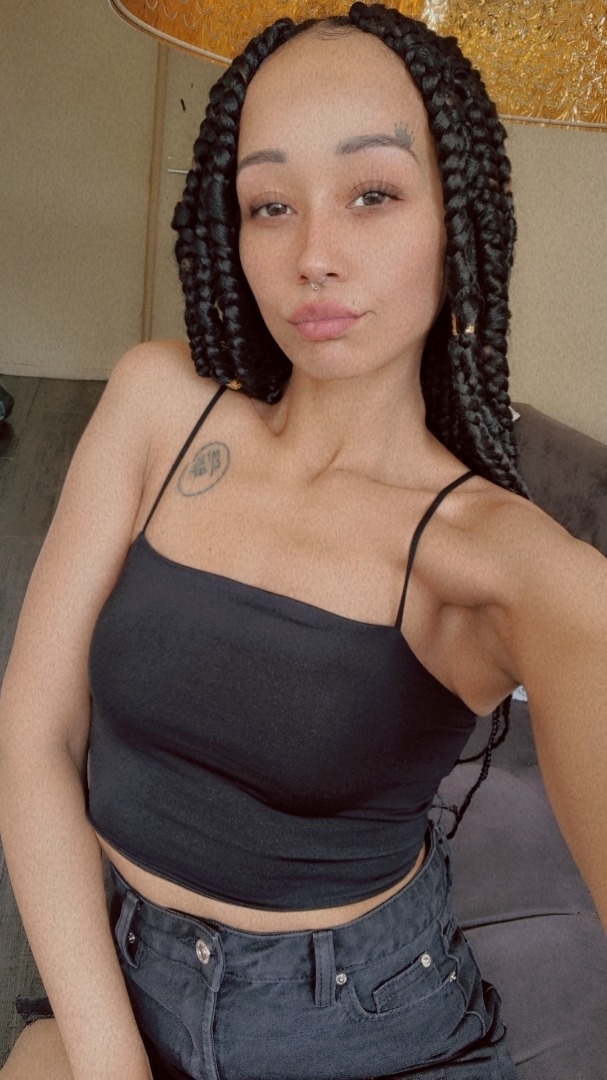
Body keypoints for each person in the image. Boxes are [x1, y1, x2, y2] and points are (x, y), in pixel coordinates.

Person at [0, 4, 606, 1078]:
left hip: (368, 1034)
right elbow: (33, 733)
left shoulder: (505, 567)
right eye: (270, 205)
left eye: (372, 194)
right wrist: (108, 1060)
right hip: (121, 988)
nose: (314, 255)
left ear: (459, 219)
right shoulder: (158, 403)